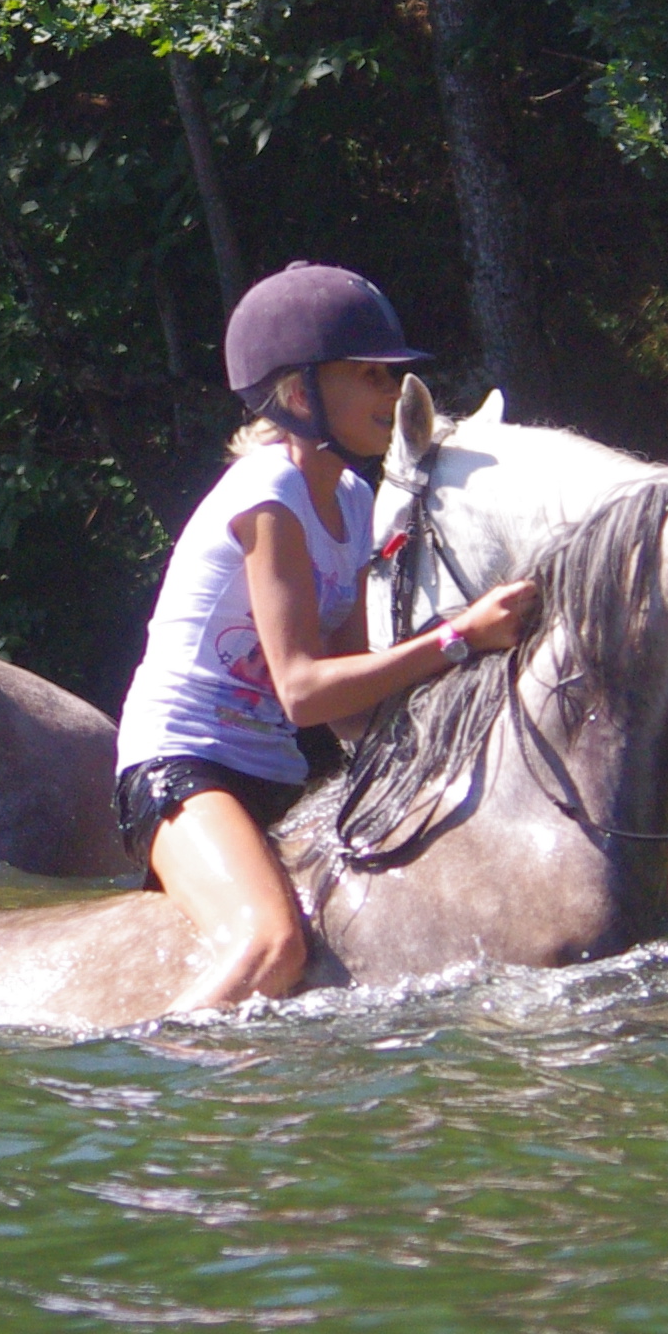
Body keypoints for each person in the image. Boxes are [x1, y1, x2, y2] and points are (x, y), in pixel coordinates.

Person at [115, 264, 543, 1013]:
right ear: (300, 394)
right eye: (370, 377)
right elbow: (305, 691)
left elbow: (352, 697)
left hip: (274, 778)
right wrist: (458, 639)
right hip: (179, 768)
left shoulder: (350, 498)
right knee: (272, 946)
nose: (394, 395)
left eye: (391, 377)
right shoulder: (267, 493)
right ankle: (148, 1078)